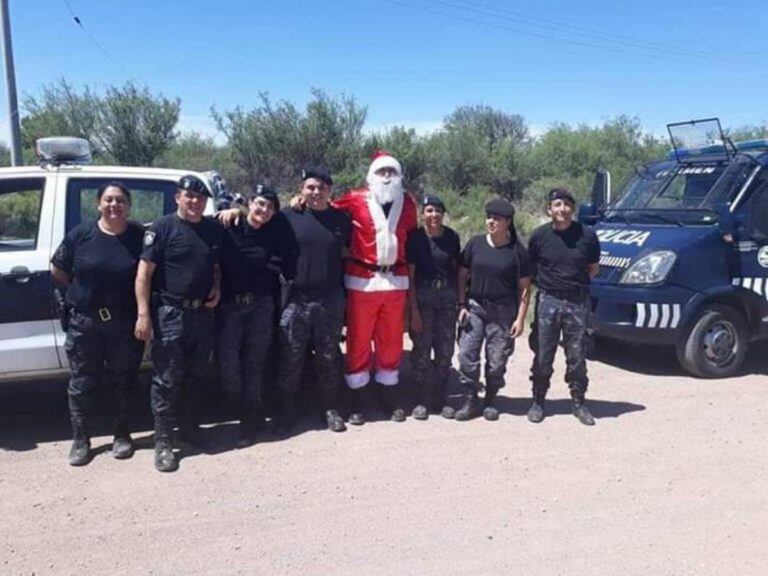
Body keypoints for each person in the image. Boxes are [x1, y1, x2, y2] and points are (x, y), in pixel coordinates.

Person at [50, 182, 145, 466]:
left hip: (123, 322)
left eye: (120, 201)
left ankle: (121, 434)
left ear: (128, 205)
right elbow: (58, 268)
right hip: (85, 322)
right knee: (81, 382)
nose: (114, 205)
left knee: (123, 380)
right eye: (108, 200)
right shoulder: (82, 234)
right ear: (98, 204)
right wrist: (82, 294)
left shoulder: (139, 236)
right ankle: (81, 439)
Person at [134, 174, 222, 472]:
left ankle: (189, 428)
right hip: (170, 314)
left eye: (200, 198)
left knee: (197, 374)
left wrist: (218, 286)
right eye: (189, 196)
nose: (195, 202)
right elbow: (144, 275)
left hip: (202, 315)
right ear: (178, 197)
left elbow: (216, 265)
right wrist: (144, 314)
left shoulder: (211, 230)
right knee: (167, 379)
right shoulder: (162, 228)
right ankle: (163, 441)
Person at [333, 150, 418, 424]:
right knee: (358, 338)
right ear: (371, 175)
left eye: (391, 172)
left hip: (395, 281)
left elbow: (413, 238)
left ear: (399, 176)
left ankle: (387, 394)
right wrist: (300, 202)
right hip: (362, 279)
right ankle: (357, 398)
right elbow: (326, 210)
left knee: (391, 339)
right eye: (381, 172)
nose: (386, 176)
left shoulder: (408, 204)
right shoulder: (355, 198)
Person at [217, 185, 294, 448]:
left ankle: (249, 422)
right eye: (260, 204)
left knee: (255, 364)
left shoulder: (274, 231)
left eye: (270, 207)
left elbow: (295, 214)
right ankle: (245, 412)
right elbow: (198, 225)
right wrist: (229, 209)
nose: (264, 210)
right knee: (229, 368)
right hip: (230, 309)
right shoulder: (228, 225)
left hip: (261, 307)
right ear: (250, 202)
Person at [276, 167, 351, 433]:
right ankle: (286, 413)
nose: (316, 192)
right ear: (301, 190)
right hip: (296, 300)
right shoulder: (287, 216)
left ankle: (331, 409)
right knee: (290, 359)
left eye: (321, 188)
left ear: (330, 191)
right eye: (310, 187)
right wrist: (236, 212)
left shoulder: (341, 220)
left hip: (329, 299)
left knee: (329, 358)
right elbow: (256, 221)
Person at [527, 188, 600, 426]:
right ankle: (538, 401)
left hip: (577, 301)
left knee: (577, 356)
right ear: (549, 209)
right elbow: (531, 270)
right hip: (548, 300)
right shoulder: (539, 237)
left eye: (567, 204)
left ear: (573, 209)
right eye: (557, 204)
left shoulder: (587, 236)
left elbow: (593, 267)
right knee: (543, 354)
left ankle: (578, 402)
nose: (562, 209)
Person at [456, 198, 532, 421]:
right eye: (488, 217)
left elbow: (525, 289)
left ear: (508, 222)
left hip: (503, 313)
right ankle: (470, 400)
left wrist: (520, 319)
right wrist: (461, 304)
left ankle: (490, 398)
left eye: (496, 218)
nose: (491, 222)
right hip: (475, 308)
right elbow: (462, 275)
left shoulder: (517, 251)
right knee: (467, 355)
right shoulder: (475, 243)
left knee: (497, 360)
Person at [406, 194, 461, 420]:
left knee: (445, 349)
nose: (434, 215)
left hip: (446, 298)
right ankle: (420, 400)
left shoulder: (451, 237)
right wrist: (414, 311)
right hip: (423, 298)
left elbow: (458, 272)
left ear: (443, 214)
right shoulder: (416, 238)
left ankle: (440, 399)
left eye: (438, 211)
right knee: (421, 349)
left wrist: (460, 302)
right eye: (429, 210)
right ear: (423, 214)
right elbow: (410, 276)